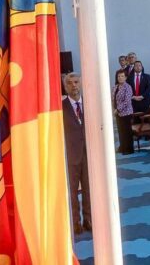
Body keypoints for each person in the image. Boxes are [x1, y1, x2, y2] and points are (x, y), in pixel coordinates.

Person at [62, 72, 91, 233]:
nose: (74, 85)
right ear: (66, 87)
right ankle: (75, 222)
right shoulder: (61, 108)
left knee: (89, 189)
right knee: (72, 191)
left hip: (89, 155)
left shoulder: (89, 105)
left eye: (76, 82)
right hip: (71, 156)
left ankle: (89, 219)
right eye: (70, 83)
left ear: (80, 84)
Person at [113, 70, 134, 155]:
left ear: (125, 77)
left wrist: (118, 109)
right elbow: (113, 99)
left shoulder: (128, 87)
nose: (120, 78)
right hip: (117, 113)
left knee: (127, 131)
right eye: (118, 76)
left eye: (122, 76)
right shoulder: (115, 87)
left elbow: (127, 101)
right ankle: (122, 147)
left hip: (126, 112)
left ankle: (128, 149)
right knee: (120, 131)